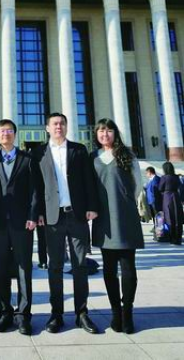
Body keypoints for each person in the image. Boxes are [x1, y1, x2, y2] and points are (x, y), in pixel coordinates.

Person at [32, 112, 99, 334]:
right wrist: (37, 212)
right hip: (53, 217)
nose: (58, 127)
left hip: (77, 215)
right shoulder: (39, 153)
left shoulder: (79, 150)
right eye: (54, 124)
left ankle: (82, 314)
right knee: (55, 266)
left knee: (80, 264)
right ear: (47, 128)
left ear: (67, 127)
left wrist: (92, 206)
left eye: (62, 123)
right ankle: (56, 314)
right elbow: (37, 186)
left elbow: (89, 180)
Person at [91, 118, 144, 334]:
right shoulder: (93, 157)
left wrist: (124, 201)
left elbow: (137, 184)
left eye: (109, 130)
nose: (105, 134)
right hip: (104, 218)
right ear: (96, 134)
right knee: (109, 268)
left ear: (115, 133)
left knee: (128, 267)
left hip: (125, 215)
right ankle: (116, 313)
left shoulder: (127, 155)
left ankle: (127, 312)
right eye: (101, 131)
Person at [0, 119, 39, 336]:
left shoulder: (28, 159)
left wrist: (33, 216)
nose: (5, 134)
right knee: (0, 268)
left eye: (9, 131)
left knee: (23, 268)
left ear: (15, 134)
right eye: (2, 131)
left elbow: (35, 190)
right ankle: (4, 312)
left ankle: (23, 314)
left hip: (22, 222)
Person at [159, 161, 184, 245]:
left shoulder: (164, 177)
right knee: (177, 217)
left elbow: (160, 188)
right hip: (176, 197)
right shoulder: (176, 177)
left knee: (169, 217)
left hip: (167, 197)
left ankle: (172, 237)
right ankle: (178, 237)